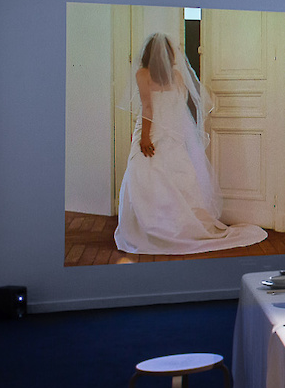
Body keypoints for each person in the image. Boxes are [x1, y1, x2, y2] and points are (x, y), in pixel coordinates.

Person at [114, 32, 267, 255]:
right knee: (176, 177)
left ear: (146, 55)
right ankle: (178, 226)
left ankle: (152, 227)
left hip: (152, 130)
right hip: (172, 135)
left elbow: (148, 107)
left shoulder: (142, 73)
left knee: (144, 175)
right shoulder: (176, 75)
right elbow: (181, 107)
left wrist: (144, 136)